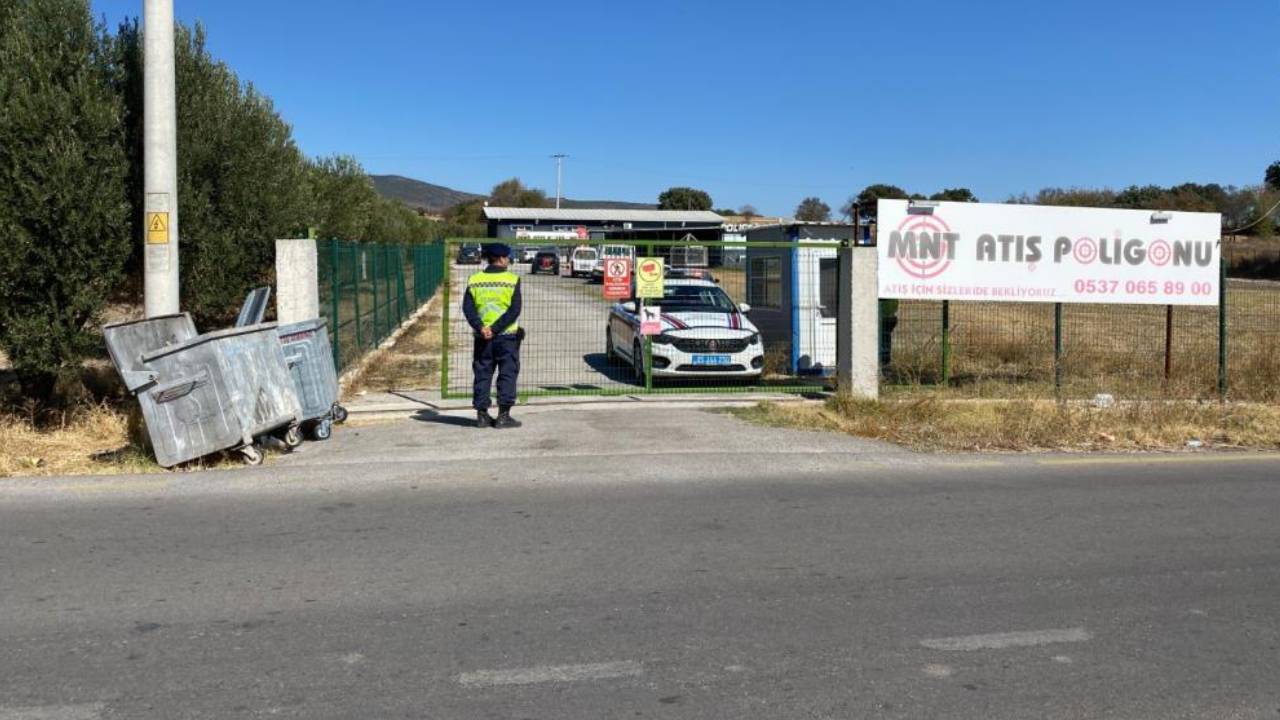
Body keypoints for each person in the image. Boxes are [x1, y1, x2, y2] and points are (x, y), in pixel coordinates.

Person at [462, 243, 523, 429]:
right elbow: (514, 310)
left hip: (482, 338)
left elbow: (468, 308)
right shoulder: (512, 280)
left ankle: (482, 416)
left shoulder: (474, 280)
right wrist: (495, 329)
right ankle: (503, 416)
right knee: (507, 373)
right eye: (508, 258)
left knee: (482, 373)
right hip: (506, 337)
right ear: (502, 258)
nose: (509, 261)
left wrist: (482, 327)